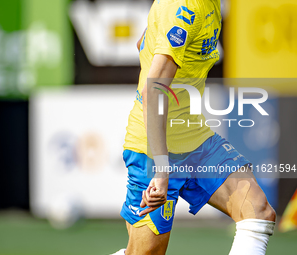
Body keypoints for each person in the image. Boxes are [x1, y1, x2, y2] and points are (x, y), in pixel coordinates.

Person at [111, 0, 276, 254]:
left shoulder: (211, 4)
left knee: (258, 211)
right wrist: (162, 169)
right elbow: (153, 92)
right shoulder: (186, 7)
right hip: (153, 150)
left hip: (195, 139)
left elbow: (143, 42)